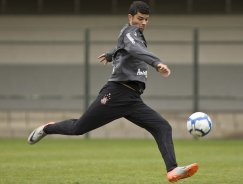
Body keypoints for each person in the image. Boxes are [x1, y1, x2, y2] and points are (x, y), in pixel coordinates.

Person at [27, 1, 198, 182]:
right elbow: (132, 47)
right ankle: (47, 128)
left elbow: (125, 47)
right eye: (140, 18)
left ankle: (172, 170)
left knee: (162, 127)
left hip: (132, 99)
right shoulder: (130, 31)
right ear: (130, 17)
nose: (143, 23)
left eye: (146, 20)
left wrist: (111, 54)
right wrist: (156, 63)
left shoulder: (133, 35)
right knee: (78, 128)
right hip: (116, 93)